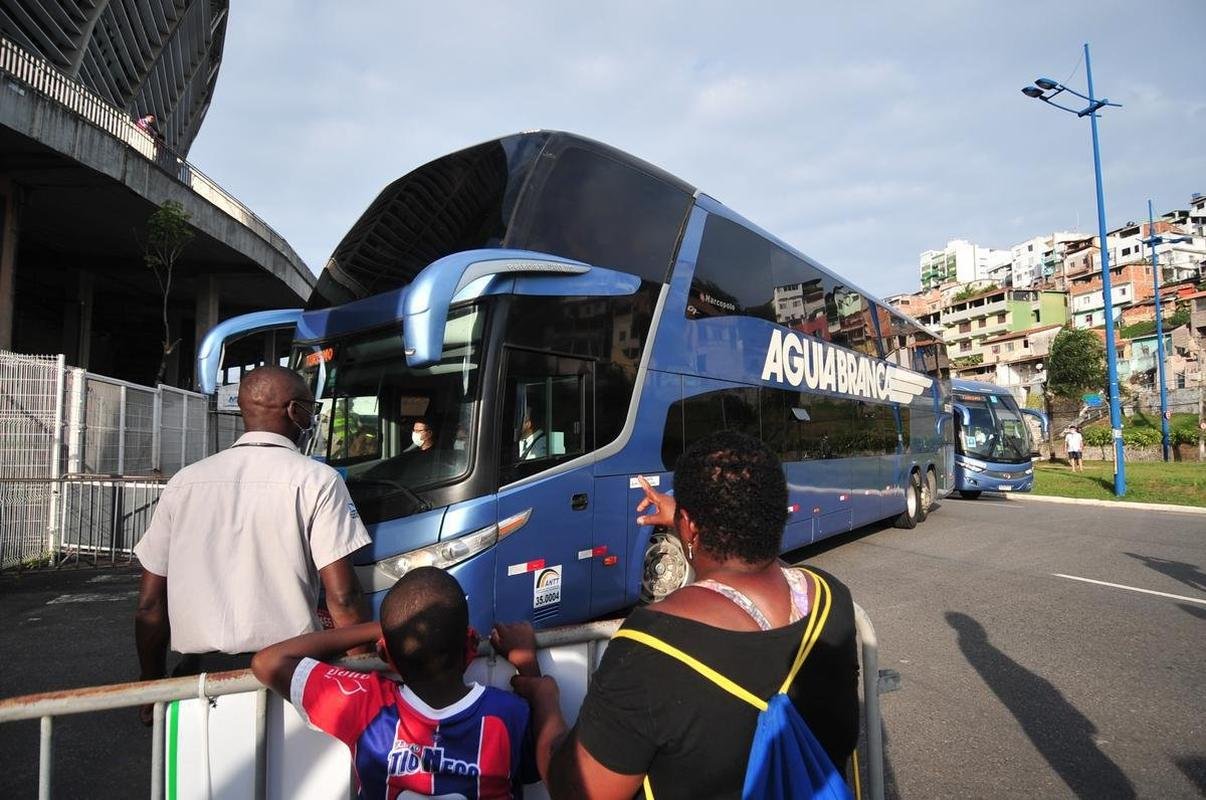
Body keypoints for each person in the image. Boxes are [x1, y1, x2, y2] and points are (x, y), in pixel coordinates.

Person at [503, 431, 860, 799]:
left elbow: (578, 790)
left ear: (689, 526)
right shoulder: (833, 601)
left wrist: (541, 691)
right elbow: (757, 560)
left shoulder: (652, 645)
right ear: (776, 512)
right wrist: (688, 522)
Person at [134, 366, 371, 706]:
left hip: (198, 681)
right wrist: (360, 674)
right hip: (287, 676)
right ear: (293, 411)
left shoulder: (184, 482)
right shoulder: (318, 480)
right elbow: (344, 597)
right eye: (308, 408)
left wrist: (150, 685)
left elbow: (149, 605)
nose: (310, 418)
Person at [252, 567, 539, 799]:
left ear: (385, 653)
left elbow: (268, 662)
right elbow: (541, 766)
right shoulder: (509, 714)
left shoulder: (364, 705)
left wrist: (387, 629)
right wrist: (526, 661)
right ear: (472, 642)